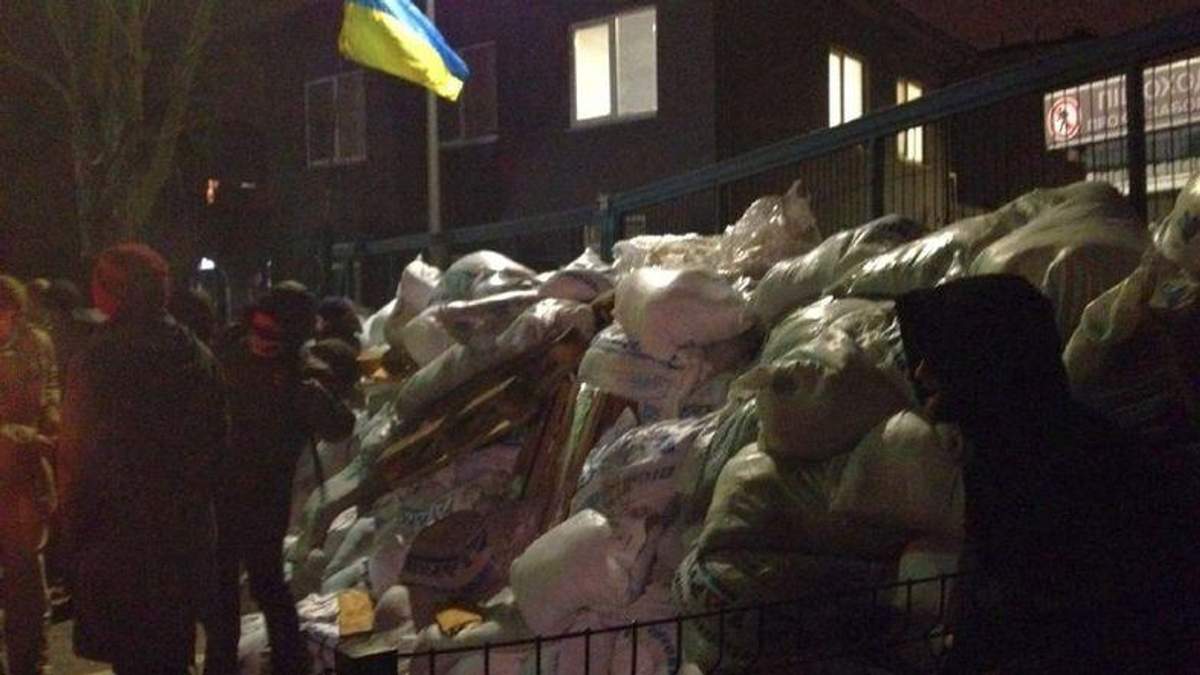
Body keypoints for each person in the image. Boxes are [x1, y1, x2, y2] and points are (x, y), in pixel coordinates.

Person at [894, 274, 1198, 673]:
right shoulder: (1006, 446)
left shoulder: (1069, 469)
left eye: (939, 357)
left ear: (985, 361)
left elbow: (1065, 623)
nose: (920, 373)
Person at [57, 244, 226, 675]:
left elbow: (78, 459)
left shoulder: (98, 359)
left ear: (114, 291)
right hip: (183, 534)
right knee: (172, 654)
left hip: (120, 541)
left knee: (134, 659)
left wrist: (72, 537)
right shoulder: (196, 354)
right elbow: (218, 446)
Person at [204, 283, 355, 675]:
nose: (262, 339)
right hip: (219, 488)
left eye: (274, 335)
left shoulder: (301, 374)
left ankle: (291, 664)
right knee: (220, 589)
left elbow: (341, 426)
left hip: (266, 493)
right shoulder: (227, 354)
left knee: (267, 583)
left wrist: (316, 398)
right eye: (258, 328)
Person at [0, 275, 59, 675]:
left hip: (26, 477)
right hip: (16, 456)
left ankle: (31, 663)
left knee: (27, 582)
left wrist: (53, 416)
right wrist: (23, 434)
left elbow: (51, 387)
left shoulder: (37, 344)